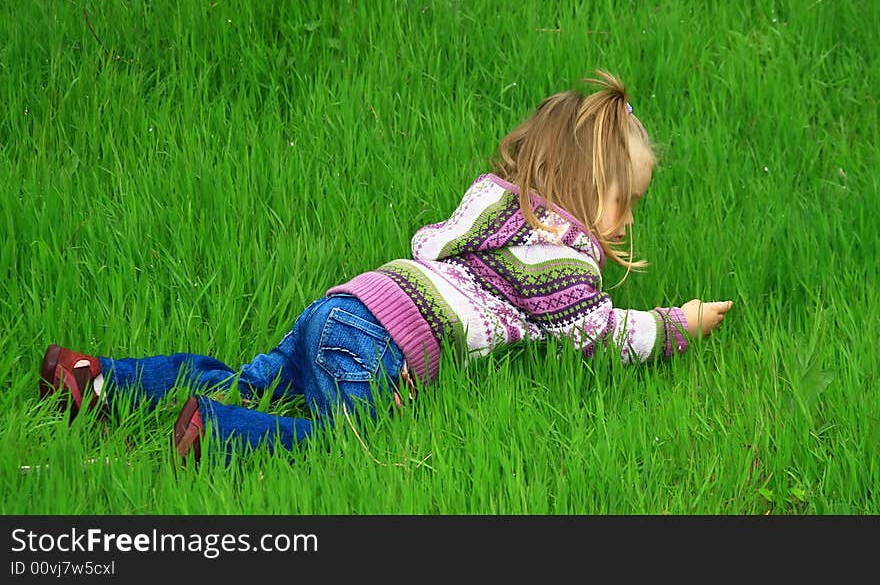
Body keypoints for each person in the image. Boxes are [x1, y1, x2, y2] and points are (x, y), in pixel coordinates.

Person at [39, 70, 733, 467]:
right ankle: (216, 435)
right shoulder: (558, 266)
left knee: (250, 378)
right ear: (584, 188)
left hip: (343, 303)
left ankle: (100, 378)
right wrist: (679, 325)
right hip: (376, 343)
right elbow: (603, 334)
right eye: (627, 202)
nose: (630, 222)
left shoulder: (493, 206)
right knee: (345, 446)